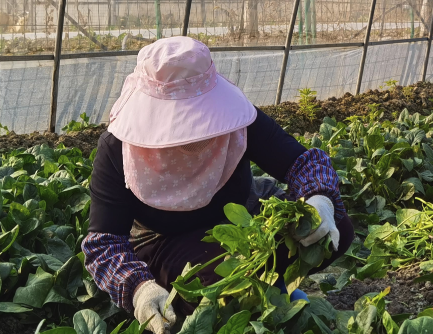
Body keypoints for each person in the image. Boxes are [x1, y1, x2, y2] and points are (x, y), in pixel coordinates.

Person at [81, 37, 352, 334]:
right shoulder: (119, 148)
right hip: (165, 241)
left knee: (334, 228)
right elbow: (104, 243)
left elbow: (304, 163)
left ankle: (276, 294)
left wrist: (319, 200)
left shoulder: (236, 119)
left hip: (244, 222)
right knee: (218, 283)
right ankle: (267, 300)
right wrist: (139, 289)